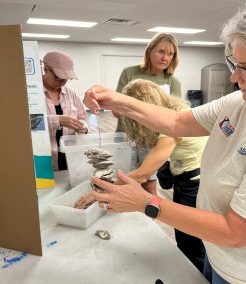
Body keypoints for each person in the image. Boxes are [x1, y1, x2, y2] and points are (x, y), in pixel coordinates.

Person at [83, 0, 246, 283]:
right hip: (218, 255)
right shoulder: (240, 101)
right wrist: (119, 101)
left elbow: (236, 232)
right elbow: (177, 122)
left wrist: (146, 202)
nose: (234, 77)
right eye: (233, 63)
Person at [78, 79, 208, 272]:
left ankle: (198, 276)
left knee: (191, 240)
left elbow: (144, 173)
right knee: (184, 235)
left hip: (195, 184)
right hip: (185, 178)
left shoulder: (176, 122)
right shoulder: (174, 112)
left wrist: (99, 192)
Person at [115, 32, 182, 194]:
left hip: (152, 141)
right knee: (124, 179)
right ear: (150, 51)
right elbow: (116, 108)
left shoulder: (173, 82)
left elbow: (174, 118)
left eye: (170, 54)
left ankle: (148, 219)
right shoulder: (129, 73)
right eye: (161, 51)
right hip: (127, 137)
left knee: (148, 183)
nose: (165, 58)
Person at [42, 51, 88, 171]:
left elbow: (82, 116)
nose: (62, 83)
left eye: (66, 79)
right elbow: (27, 122)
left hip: (69, 155)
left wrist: (83, 126)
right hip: (43, 157)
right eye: (58, 78)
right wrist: (57, 120)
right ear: (45, 69)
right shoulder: (31, 93)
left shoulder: (70, 92)